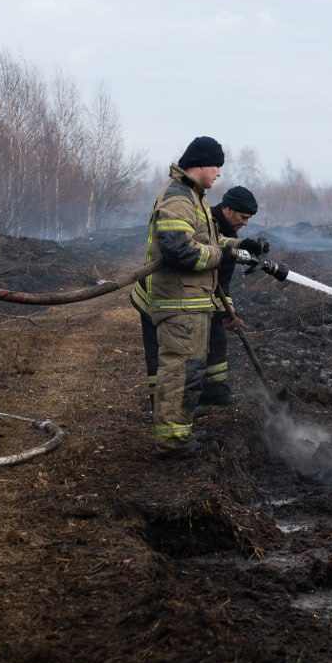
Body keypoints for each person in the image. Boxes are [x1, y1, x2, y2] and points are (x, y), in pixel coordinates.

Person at [130, 137, 254, 459]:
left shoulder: (192, 196)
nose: (219, 175)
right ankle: (173, 443)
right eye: (217, 167)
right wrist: (221, 254)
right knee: (179, 373)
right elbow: (179, 250)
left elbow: (205, 237)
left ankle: (179, 432)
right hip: (178, 303)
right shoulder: (178, 198)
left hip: (189, 302)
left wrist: (237, 247)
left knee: (188, 372)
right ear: (201, 164)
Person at [138, 185, 269, 408]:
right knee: (163, 354)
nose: (246, 223)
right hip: (158, 296)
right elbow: (207, 264)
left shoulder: (224, 228)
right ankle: (162, 404)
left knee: (215, 335)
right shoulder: (207, 220)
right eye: (243, 217)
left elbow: (221, 280)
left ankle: (212, 392)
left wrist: (227, 311)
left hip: (189, 294)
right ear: (228, 209)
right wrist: (226, 312)